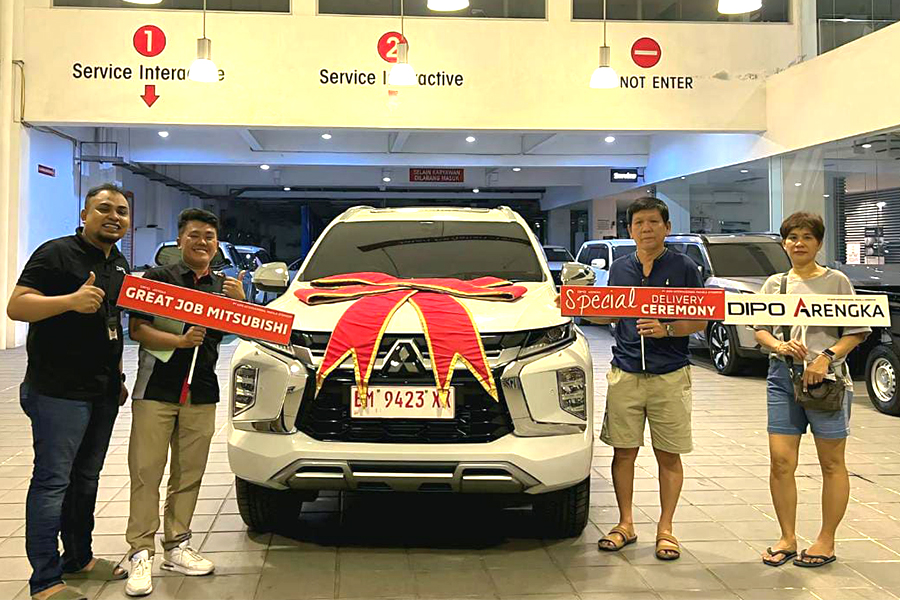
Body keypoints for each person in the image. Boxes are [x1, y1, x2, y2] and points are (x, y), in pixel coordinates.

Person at [7, 184, 132, 600]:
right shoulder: (55, 253)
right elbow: (17, 306)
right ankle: (45, 580)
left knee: (86, 479)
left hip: (102, 391)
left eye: (121, 211)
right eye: (104, 208)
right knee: (52, 482)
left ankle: (78, 558)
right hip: (58, 391)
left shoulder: (118, 263)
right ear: (84, 214)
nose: (114, 216)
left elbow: (111, 324)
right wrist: (69, 301)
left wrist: (118, 377)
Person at [124, 208, 246, 597]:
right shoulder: (158, 280)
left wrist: (241, 304)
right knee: (146, 472)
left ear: (217, 244)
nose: (202, 242)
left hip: (202, 391)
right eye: (194, 235)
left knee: (189, 473)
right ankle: (140, 552)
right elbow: (138, 329)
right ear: (180, 240)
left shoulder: (222, 286)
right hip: (156, 390)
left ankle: (177, 545)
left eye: (209, 236)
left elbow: (241, 331)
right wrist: (179, 342)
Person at [592, 197, 707, 561]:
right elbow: (609, 314)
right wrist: (577, 306)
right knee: (623, 452)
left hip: (669, 375)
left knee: (668, 455)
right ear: (630, 230)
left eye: (654, 222)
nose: (646, 228)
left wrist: (667, 328)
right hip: (625, 372)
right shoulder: (620, 268)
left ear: (667, 227)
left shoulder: (684, 267)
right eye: (639, 223)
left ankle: (666, 529)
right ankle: (625, 523)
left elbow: (701, 320)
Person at [755, 212, 868, 568]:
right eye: (792, 237)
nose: (799, 243)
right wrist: (778, 345)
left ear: (818, 243)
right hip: (782, 378)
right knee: (781, 461)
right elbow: (761, 328)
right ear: (784, 243)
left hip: (827, 380)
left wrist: (826, 357)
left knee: (831, 462)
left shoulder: (836, 281)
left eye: (807, 237)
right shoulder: (775, 284)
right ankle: (787, 537)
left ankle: (826, 540)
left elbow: (857, 330)